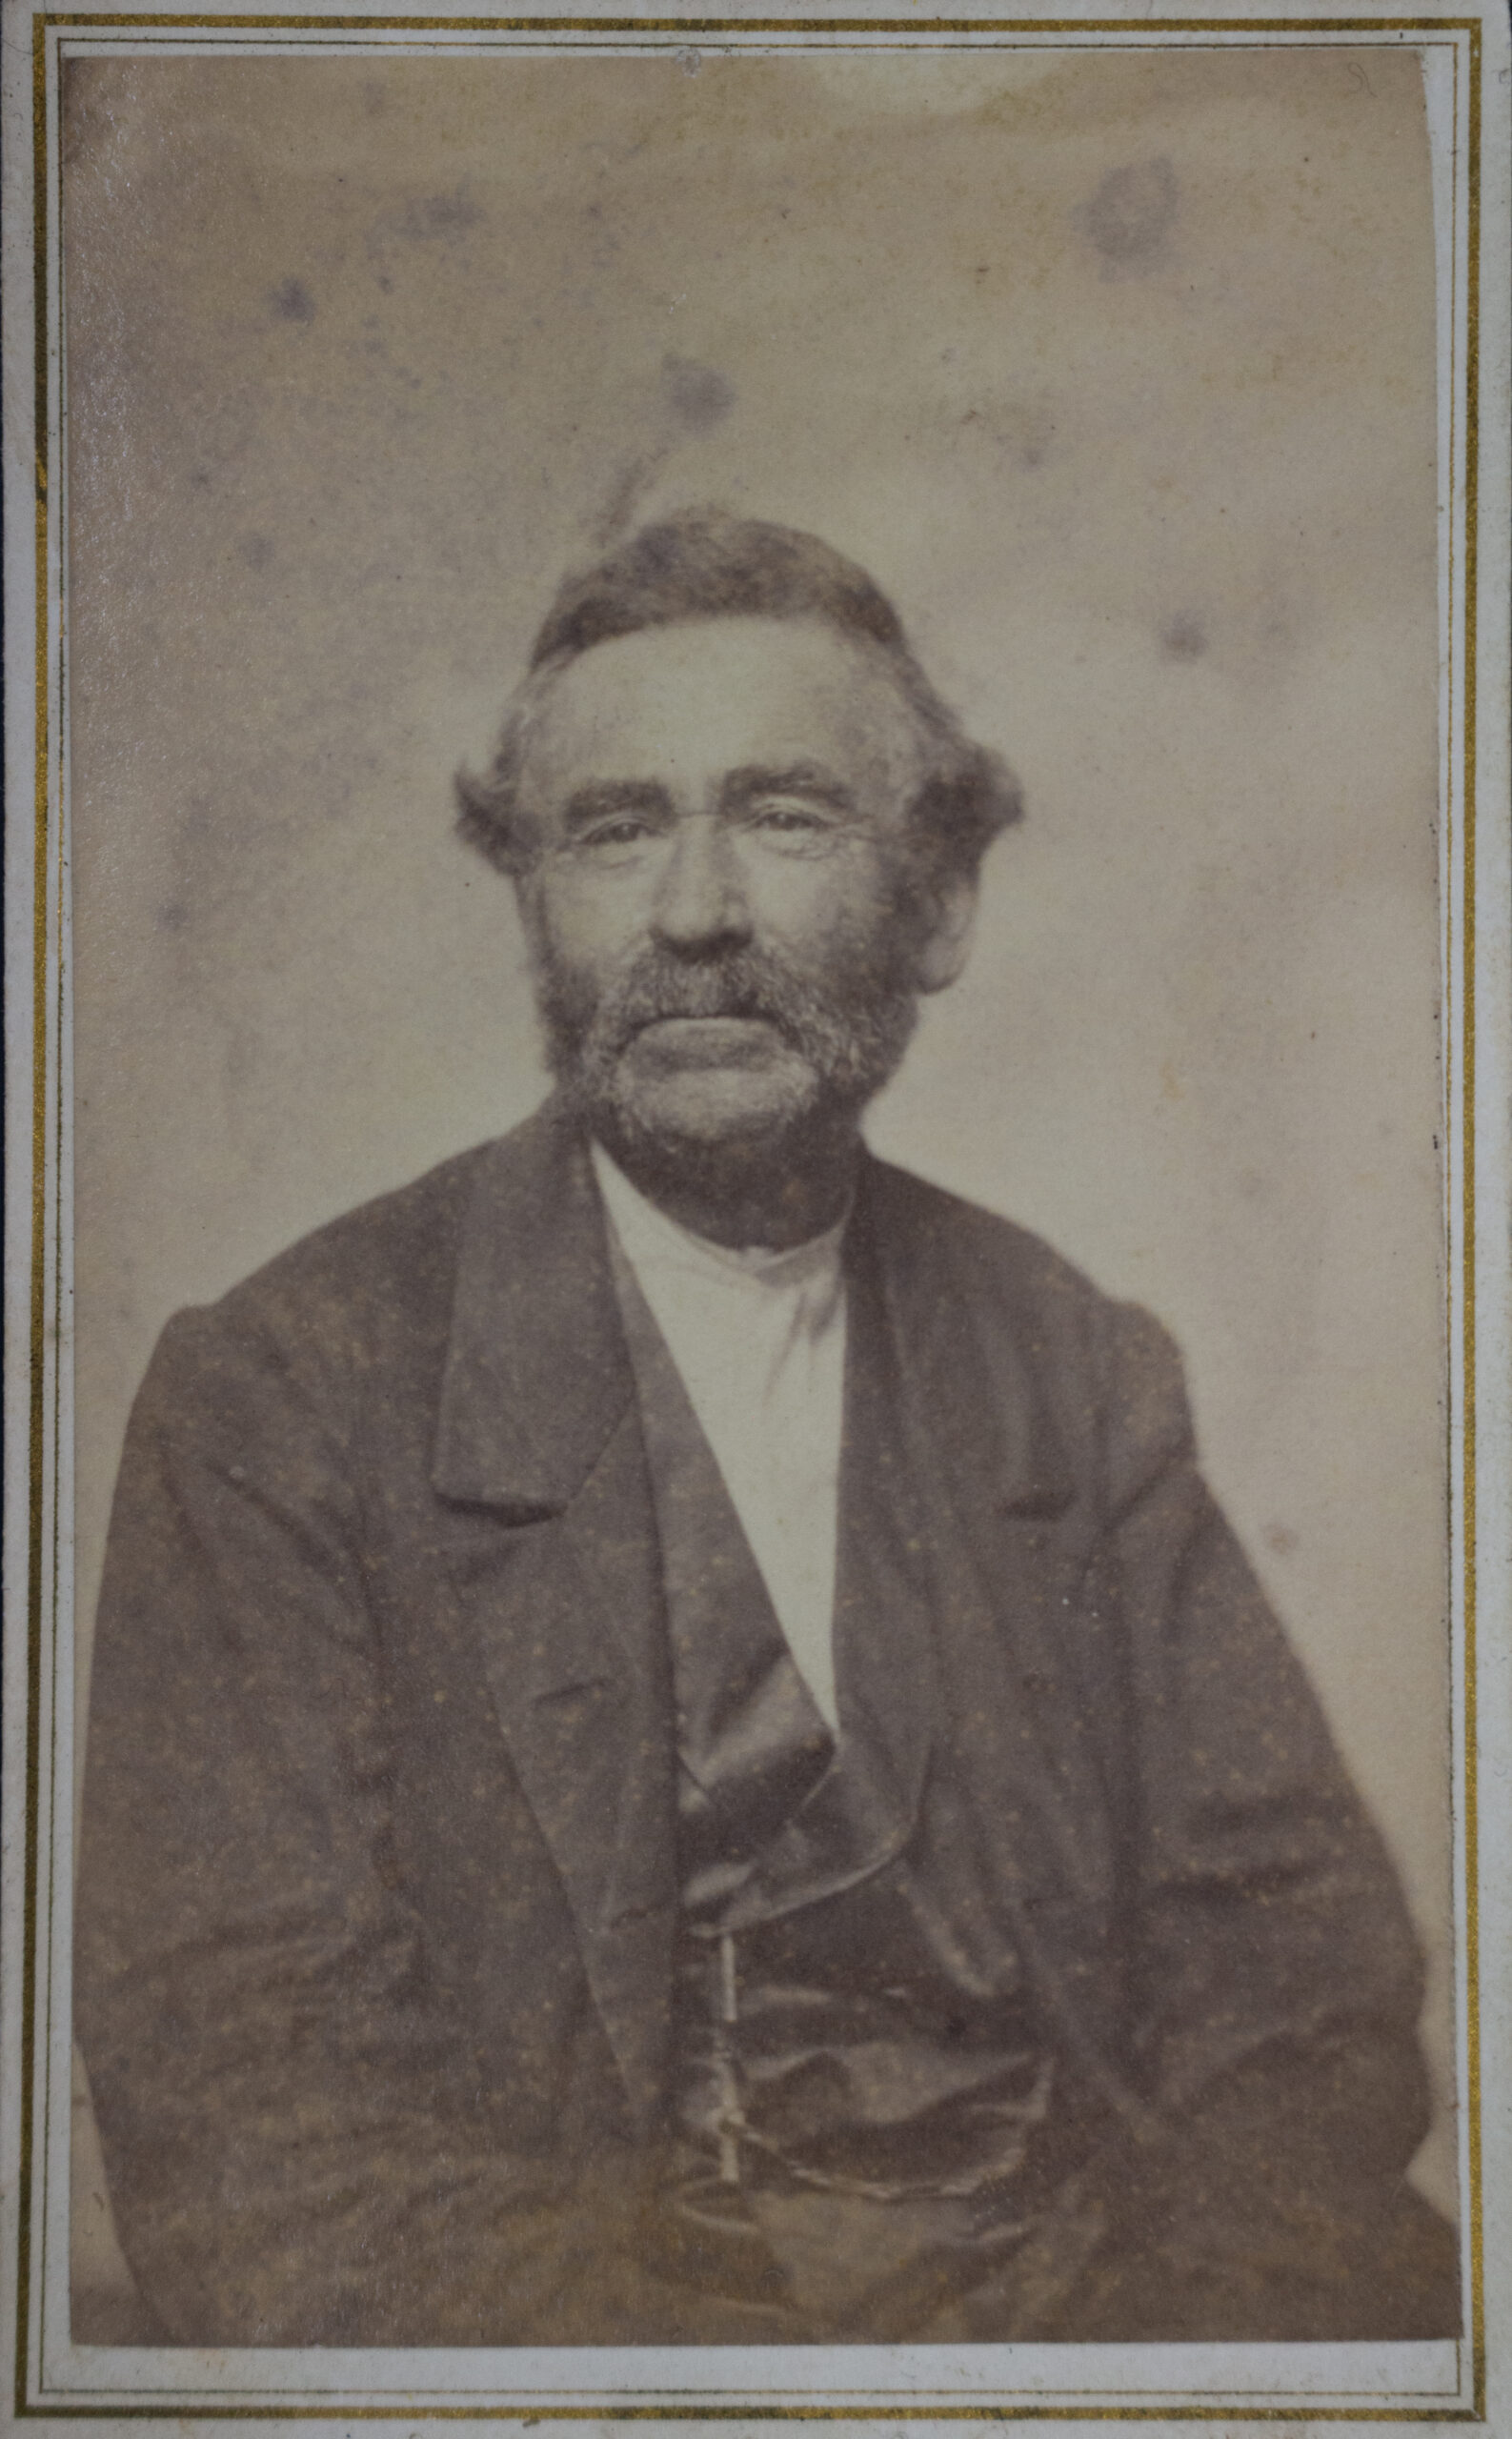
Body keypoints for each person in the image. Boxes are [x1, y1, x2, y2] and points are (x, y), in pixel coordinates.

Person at [75, 509, 1458, 2349]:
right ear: (531, 899)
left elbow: (1296, 1992)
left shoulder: (1074, 1362)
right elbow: (262, 2120)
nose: (696, 910)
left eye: (784, 815)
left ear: (941, 896)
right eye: (614, 828)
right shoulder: (284, 1394)